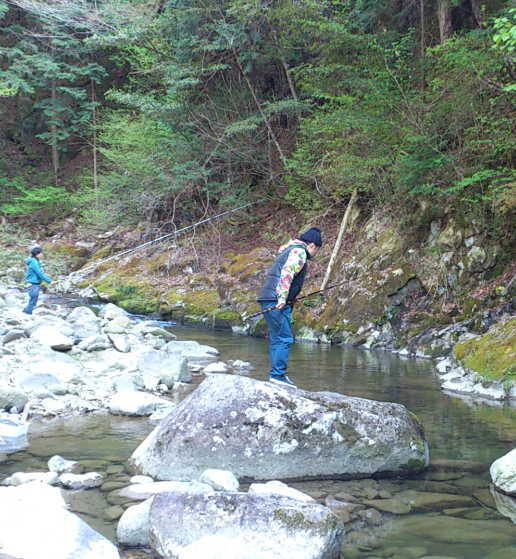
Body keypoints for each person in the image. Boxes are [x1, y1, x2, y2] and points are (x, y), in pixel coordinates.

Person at [257, 227, 322, 387]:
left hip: (269, 298)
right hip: (275, 300)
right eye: (318, 249)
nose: (316, 253)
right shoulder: (299, 252)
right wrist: (282, 297)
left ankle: (276, 375)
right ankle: (277, 376)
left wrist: (289, 298)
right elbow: (287, 273)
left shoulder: (289, 249)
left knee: (277, 338)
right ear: (312, 245)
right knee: (283, 338)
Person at [23, 247, 52, 315]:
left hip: (34, 284)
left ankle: (26, 314)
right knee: (33, 300)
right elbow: (40, 274)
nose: (42, 254)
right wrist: (50, 281)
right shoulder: (34, 262)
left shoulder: (35, 261)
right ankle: (27, 314)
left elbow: (40, 273)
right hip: (33, 284)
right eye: (41, 253)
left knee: (33, 300)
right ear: (37, 254)